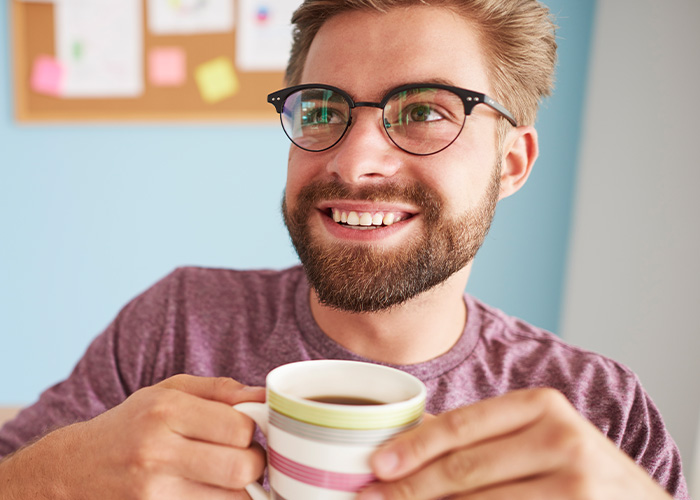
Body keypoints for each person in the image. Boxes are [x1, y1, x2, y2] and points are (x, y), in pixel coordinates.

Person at [0, 0, 689, 498]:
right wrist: (52, 481)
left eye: (424, 112)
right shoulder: (177, 321)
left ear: (512, 163)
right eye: (324, 109)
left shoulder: (598, 410)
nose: (355, 162)